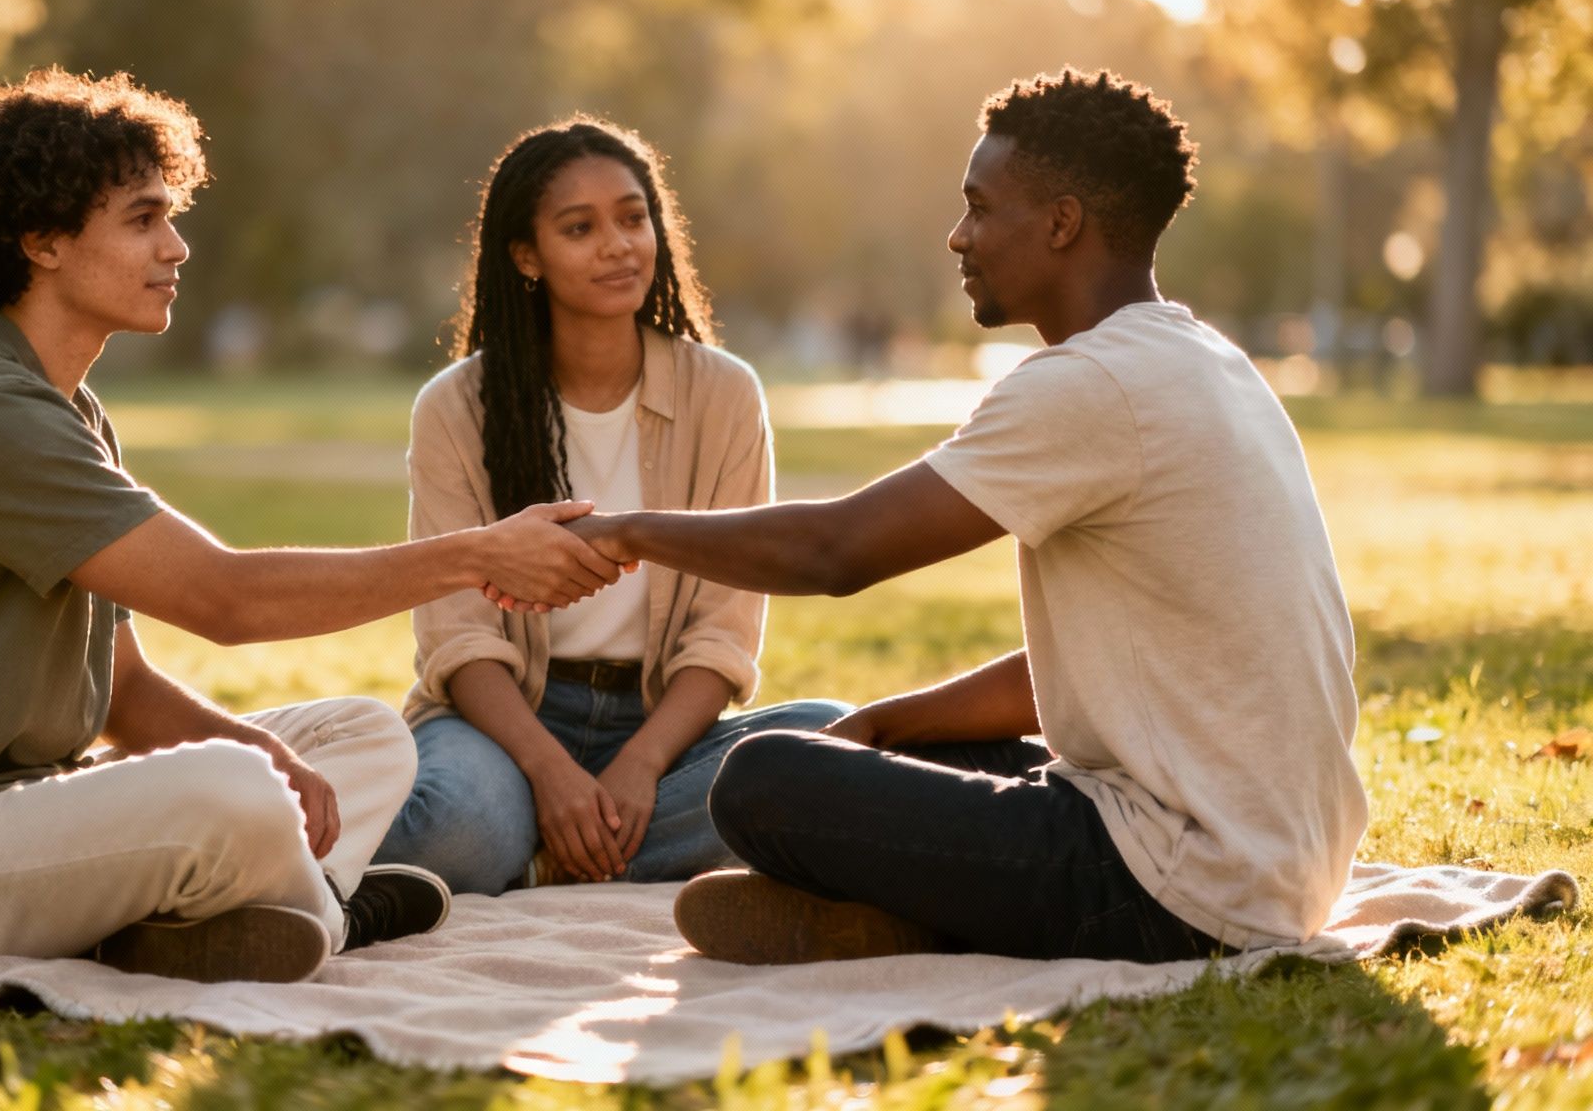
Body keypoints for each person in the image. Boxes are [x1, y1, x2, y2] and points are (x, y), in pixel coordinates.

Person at [0, 69, 625, 984]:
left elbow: (122, 689)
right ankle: (323, 910)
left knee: (363, 737)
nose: (176, 247)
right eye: (143, 220)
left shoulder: (65, 407)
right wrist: (476, 553)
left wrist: (263, 748)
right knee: (235, 791)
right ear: (42, 240)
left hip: (13, 814)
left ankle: (265, 911)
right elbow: (225, 599)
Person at [572, 69, 1368, 963]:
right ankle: (909, 916)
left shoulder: (1093, 385)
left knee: (762, 777)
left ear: (1063, 223)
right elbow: (1107, 667)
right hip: (1278, 864)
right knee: (889, 754)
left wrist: (626, 532)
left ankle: (919, 916)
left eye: (981, 208)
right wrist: (884, 725)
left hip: (1181, 886)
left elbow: (837, 550)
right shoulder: (1203, 359)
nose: (959, 236)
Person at [371, 117, 847, 895]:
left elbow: (724, 634)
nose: (619, 244)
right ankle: (542, 836)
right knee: (465, 823)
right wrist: (552, 775)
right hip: (507, 728)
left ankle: (544, 854)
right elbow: (459, 640)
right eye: (580, 228)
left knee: (829, 737)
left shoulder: (725, 394)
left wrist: (640, 766)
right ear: (526, 255)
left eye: (633, 217)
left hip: (663, 728)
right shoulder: (456, 407)